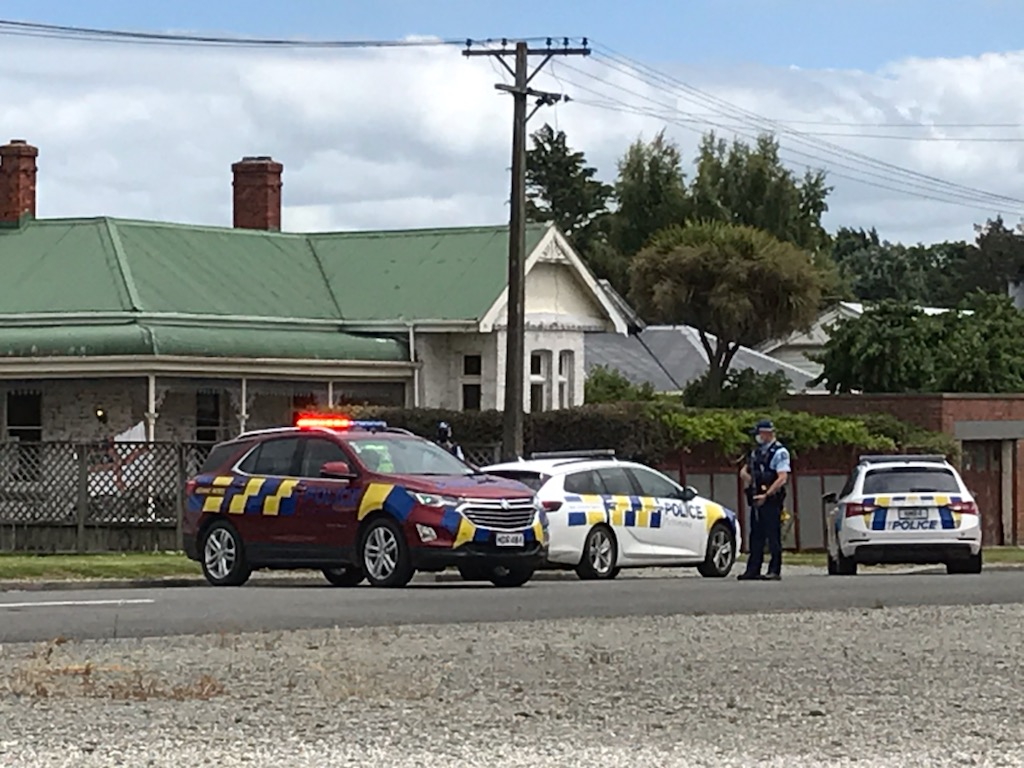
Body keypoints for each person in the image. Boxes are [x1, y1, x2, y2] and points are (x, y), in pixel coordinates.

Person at [738, 419, 791, 582]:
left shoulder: (779, 452)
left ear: (767, 433)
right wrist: (748, 479)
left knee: (773, 535)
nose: (758, 438)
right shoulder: (757, 452)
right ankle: (753, 569)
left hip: (771, 500)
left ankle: (774, 570)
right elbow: (744, 471)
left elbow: (782, 477)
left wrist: (766, 495)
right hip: (756, 499)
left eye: (759, 434)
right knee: (756, 535)